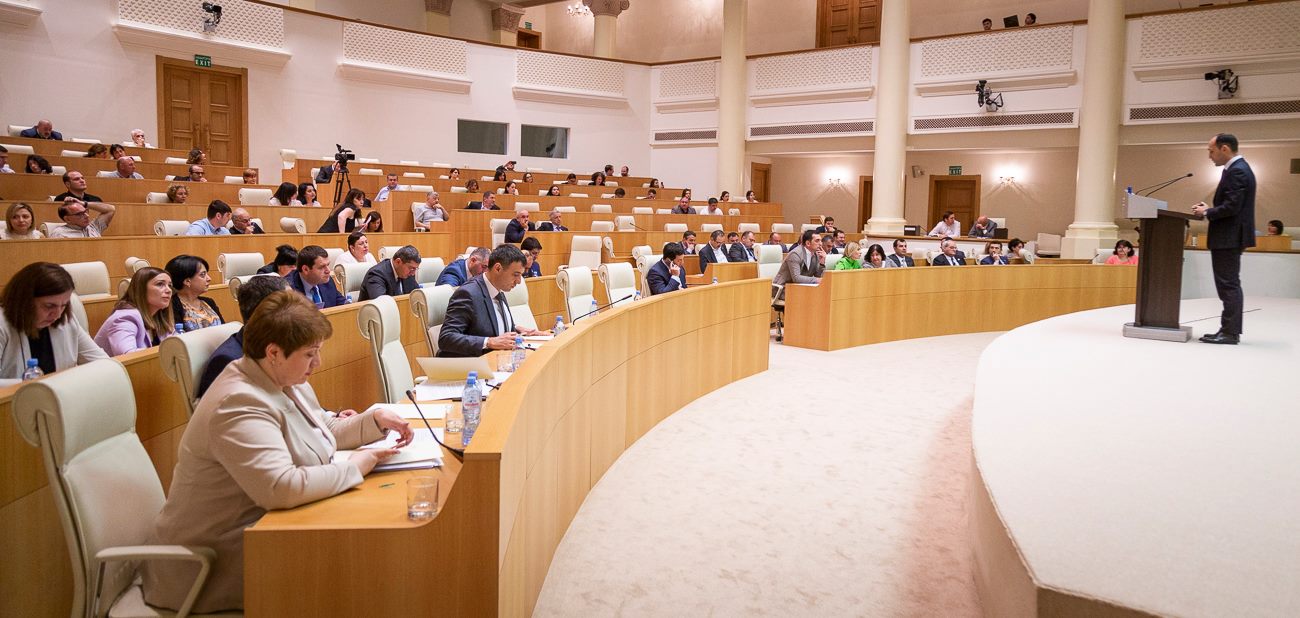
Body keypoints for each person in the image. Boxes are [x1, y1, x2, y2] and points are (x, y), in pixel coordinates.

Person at [144, 290, 411, 613]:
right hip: (215, 563)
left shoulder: (283, 378)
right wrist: (355, 467)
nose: (318, 363)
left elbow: (324, 429)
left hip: (268, 534)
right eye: (310, 354)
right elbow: (280, 487)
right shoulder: (238, 402)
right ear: (273, 352)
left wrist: (374, 420)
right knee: (362, 571)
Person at [1191, 133, 1256, 345]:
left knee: (1228, 285)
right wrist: (1210, 209)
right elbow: (1232, 204)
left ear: (1224, 148)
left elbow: (1232, 206)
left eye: (1211, 151)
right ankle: (1228, 330)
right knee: (1228, 284)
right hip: (1230, 235)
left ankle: (1229, 332)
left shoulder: (1238, 170)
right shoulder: (1237, 169)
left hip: (1229, 236)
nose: (1210, 156)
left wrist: (1208, 212)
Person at [0, 262, 107, 386]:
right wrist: (35, 385)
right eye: (49, 306)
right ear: (24, 301)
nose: (58, 315)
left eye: (64, 305)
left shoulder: (67, 320)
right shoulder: (3, 324)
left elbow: (103, 363)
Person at [437, 245, 543, 357]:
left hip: (499, 359)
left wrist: (519, 331)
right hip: (472, 364)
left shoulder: (498, 289)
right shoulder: (468, 294)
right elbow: (446, 338)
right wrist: (489, 342)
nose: (519, 281)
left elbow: (492, 326)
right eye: (516, 275)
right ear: (498, 269)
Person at [195, 274, 289, 399]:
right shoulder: (227, 360)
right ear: (268, 312)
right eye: (292, 305)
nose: (299, 310)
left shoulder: (281, 345)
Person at [93, 267, 174, 355]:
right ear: (141, 289)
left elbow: (176, 343)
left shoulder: (158, 316)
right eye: (160, 284)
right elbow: (128, 355)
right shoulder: (125, 318)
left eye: (169, 285)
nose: (169, 290)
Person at [167, 255, 225, 331]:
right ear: (187, 281)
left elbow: (224, 328)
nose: (209, 279)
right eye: (202, 275)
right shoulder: (172, 305)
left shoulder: (209, 302)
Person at [49, 198, 116, 238]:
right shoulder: (59, 234)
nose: (87, 216)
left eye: (85, 211)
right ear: (68, 219)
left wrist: (84, 204)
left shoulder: (94, 227)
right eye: (80, 214)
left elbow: (111, 209)